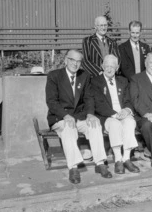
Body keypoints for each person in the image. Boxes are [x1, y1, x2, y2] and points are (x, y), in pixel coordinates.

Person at [45, 49, 112, 184]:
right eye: (72, 60)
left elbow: (89, 98)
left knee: (95, 125)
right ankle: (73, 167)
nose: (75, 64)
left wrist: (90, 114)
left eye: (78, 61)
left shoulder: (84, 76)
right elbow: (51, 101)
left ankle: (100, 163)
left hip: (79, 117)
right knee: (69, 128)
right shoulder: (54, 76)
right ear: (65, 60)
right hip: (60, 117)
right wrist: (65, 115)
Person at [91, 54, 140, 174]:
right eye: (106, 66)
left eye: (112, 66)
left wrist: (127, 110)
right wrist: (114, 114)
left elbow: (128, 100)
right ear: (102, 66)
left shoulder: (123, 81)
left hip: (122, 114)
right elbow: (98, 103)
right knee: (114, 125)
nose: (109, 69)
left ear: (117, 67)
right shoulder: (95, 81)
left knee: (130, 122)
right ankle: (118, 159)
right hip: (107, 116)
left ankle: (126, 158)